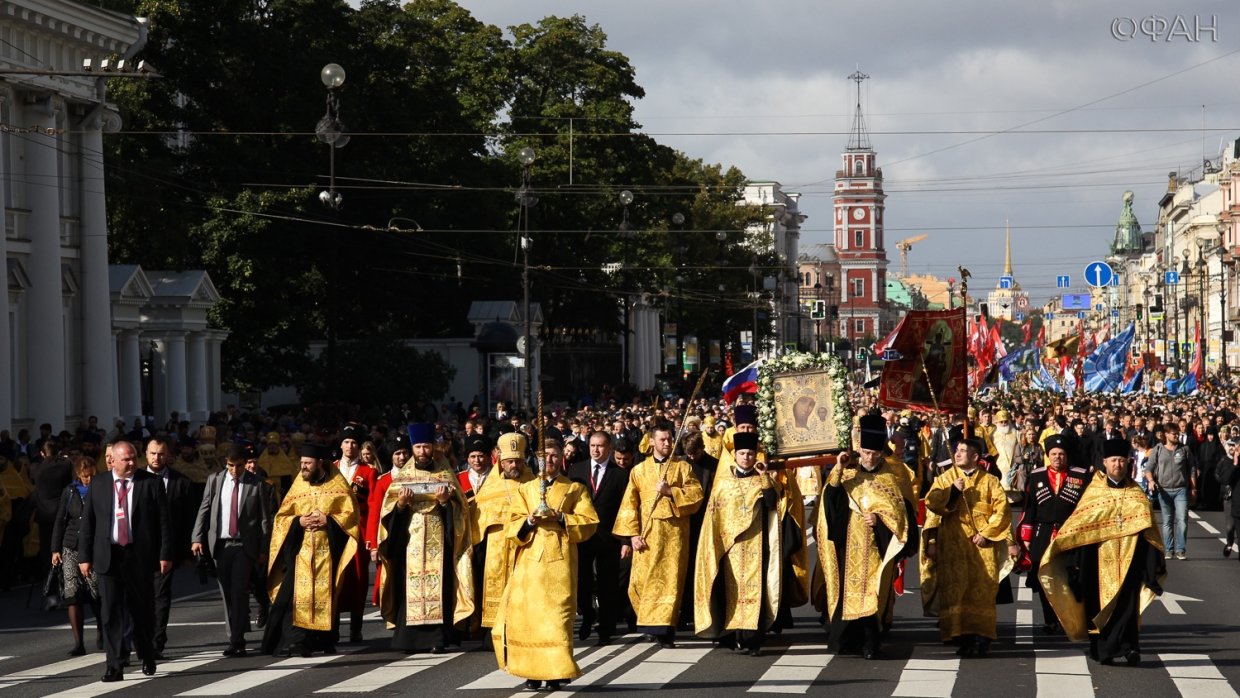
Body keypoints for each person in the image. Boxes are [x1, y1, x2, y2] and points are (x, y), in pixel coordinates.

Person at [1038, 437, 1166, 665]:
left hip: (1130, 560)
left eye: (1122, 461)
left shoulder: (1137, 495)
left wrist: (1152, 565)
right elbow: (1079, 526)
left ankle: (1130, 648)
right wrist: (1074, 563)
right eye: (1114, 460)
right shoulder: (1093, 493)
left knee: (1127, 605)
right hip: (1097, 561)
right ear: (1105, 463)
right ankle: (1103, 650)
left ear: (1128, 463)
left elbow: (1149, 532)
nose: (1118, 465)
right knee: (1097, 605)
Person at [492, 437, 599, 691]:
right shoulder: (525, 489)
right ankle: (531, 672)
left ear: (561, 457)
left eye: (553, 455)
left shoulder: (575, 489)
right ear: (536, 460)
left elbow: (589, 521)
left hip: (559, 563)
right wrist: (528, 521)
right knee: (529, 619)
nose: (548, 460)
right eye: (544, 456)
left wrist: (561, 517)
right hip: (530, 562)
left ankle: (556, 671)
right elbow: (512, 523)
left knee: (557, 619)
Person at [815, 416, 918, 660]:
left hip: (874, 546)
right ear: (859, 450)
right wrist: (839, 467)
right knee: (847, 593)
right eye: (865, 452)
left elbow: (901, 516)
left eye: (874, 453)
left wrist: (880, 521)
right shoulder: (848, 474)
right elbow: (830, 499)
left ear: (881, 454)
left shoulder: (890, 479)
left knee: (871, 593)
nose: (869, 457)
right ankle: (847, 639)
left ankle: (870, 643)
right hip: (847, 545)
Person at [77, 441, 172, 682]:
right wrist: (84, 557)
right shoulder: (98, 484)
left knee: (142, 610)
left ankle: (147, 653)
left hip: (139, 556)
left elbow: (163, 522)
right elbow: (88, 523)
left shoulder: (150, 483)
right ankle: (114, 664)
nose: (131, 463)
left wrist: (165, 554)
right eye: (126, 459)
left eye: (133, 458)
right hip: (108, 556)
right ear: (113, 461)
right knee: (110, 612)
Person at [376, 423, 473, 654]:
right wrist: (400, 505)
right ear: (413, 448)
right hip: (411, 540)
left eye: (426, 447)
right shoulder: (404, 476)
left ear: (433, 447)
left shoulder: (445, 473)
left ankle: (438, 638)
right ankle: (409, 640)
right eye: (418, 447)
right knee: (409, 587)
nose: (422, 452)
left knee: (440, 587)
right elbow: (388, 512)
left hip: (440, 538)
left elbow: (460, 511)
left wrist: (444, 502)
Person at [260, 442, 360, 657]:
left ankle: (323, 639)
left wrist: (329, 520)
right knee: (296, 598)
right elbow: (282, 518)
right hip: (301, 554)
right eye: (302, 463)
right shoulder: (298, 486)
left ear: (320, 463)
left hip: (328, 551)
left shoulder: (338, 485)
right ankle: (298, 641)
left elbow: (351, 516)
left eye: (307, 463)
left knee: (325, 595)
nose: (303, 467)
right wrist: (299, 521)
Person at [693, 431, 787, 656]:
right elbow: (713, 517)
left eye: (751, 453)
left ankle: (753, 640)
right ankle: (732, 636)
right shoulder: (723, 484)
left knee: (755, 592)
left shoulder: (763, 480)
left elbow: (773, 503)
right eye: (742, 453)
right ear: (734, 454)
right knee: (730, 592)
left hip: (757, 544)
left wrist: (765, 477)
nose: (746, 457)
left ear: (756, 456)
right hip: (729, 546)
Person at [613, 422, 704, 648]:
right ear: (652, 441)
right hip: (647, 535)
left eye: (669, 439)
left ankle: (666, 630)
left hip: (674, 535)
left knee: (670, 583)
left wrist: (670, 492)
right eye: (662, 439)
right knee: (640, 583)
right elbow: (628, 506)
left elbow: (696, 496)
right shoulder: (638, 470)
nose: (667, 443)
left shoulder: (683, 468)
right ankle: (648, 624)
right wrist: (631, 535)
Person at [922, 433, 1011, 658]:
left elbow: (1003, 511)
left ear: (975, 456)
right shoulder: (946, 478)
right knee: (956, 591)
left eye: (962, 451)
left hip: (982, 546)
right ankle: (959, 636)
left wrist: (986, 533)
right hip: (953, 545)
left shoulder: (990, 481)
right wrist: (952, 491)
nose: (957, 454)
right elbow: (932, 504)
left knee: (981, 592)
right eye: (957, 450)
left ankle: (981, 638)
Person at [191, 442, 272, 657]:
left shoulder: (257, 484)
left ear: (246, 464)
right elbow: (204, 509)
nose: (234, 470)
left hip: (244, 547)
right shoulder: (215, 481)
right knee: (226, 593)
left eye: (238, 466)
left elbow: (265, 520)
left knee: (239, 591)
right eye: (230, 465)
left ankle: (238, 640)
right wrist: (196, 538)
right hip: (220, 545)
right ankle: (234, 635)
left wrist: (264, 548)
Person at [1017, 434, 1091, 634]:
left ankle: (1073, 618)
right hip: (1043, 533)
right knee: (1044, 578)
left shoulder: (1081, 475)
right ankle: (1050, 619)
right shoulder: (1036, 475)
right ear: (1048, 455)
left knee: (1073, 577)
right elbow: (1029, 508)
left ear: (1067, 456)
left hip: (1071, 533)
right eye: (1054, 454)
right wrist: (1026, 538)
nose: (1058, 457)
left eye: (1061, 454)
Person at [470, 432, 534, 640]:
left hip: (524, 547)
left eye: (517, 461)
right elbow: (478, 519)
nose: (513, 465)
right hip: (495, 551)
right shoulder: (491, 486)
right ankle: (492, 635)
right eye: (509, 461)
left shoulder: (532, 484)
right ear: (500, 461)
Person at [566, 431, 627, 645]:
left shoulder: (619, 474)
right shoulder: (576, 470)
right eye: (592, 445)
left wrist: (625, 540)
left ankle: (606, 628)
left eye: (600, 446)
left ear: (609, 448)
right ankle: (587, 615)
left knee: (607, 584)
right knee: (582, 581)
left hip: (608, 538)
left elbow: (625, 509)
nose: (595, 449)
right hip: (582, 536)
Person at [145, 436, 195, 657]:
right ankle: (145, 635)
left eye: (161, 453)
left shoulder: (181, 483)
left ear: (169, 456)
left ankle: (156, 640)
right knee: (140, 597)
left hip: (167, 550)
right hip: (138, 550)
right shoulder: (134, 480)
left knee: (161, 596)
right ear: (145, 454)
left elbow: (187, 520)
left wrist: (186, 552)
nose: (157, 458)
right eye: (153, 453)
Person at [50, 456, 102, 656]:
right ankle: (78, 642)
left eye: (91, 475)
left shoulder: (101, 490)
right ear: (78, 475)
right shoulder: (70, 492)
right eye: (85, 476)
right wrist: (55, 549)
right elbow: (60, 520)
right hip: (71, 546)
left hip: (94, 546)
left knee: (97, 592)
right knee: (72, 595)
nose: (88, 479)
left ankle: (102, 632)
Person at [335, 423, 378, 643]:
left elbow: (372, 507)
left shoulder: (368, 472)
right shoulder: (331, 468)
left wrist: (371, 538)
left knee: (359, 578)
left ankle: (355, 626)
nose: (349, 446)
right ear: (340, 444)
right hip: (334, 532)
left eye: (353, 442)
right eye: (346, 442)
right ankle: (331, 627)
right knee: (333, 577)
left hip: (358, 532)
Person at [1147, 424, 1194, 560]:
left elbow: (1191, 468)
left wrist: (1193, 487)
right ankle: (1168, 549)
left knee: (1182, 520)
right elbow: (1149, 468)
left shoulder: (1184, 449)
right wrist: (1151, 481)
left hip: (1181, 489)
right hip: (1164, 490)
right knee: (1167, 521)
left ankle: (1180, 549)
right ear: (1166, 434)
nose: (1176, 436)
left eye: (1177, 433)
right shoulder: (1158, 449)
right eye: (1173, 433)